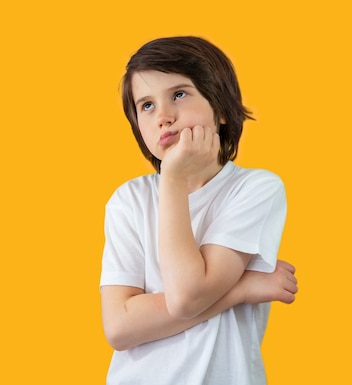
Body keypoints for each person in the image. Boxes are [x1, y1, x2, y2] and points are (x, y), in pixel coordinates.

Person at [99, 36, 298, 385]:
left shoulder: (255, 189)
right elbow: (118, 327)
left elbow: (189, 295)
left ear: (221, 109)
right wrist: (241, 289)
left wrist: (173, 179)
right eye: (146, 105)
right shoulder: (128, 200)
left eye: (179, 94)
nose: (163, 116)